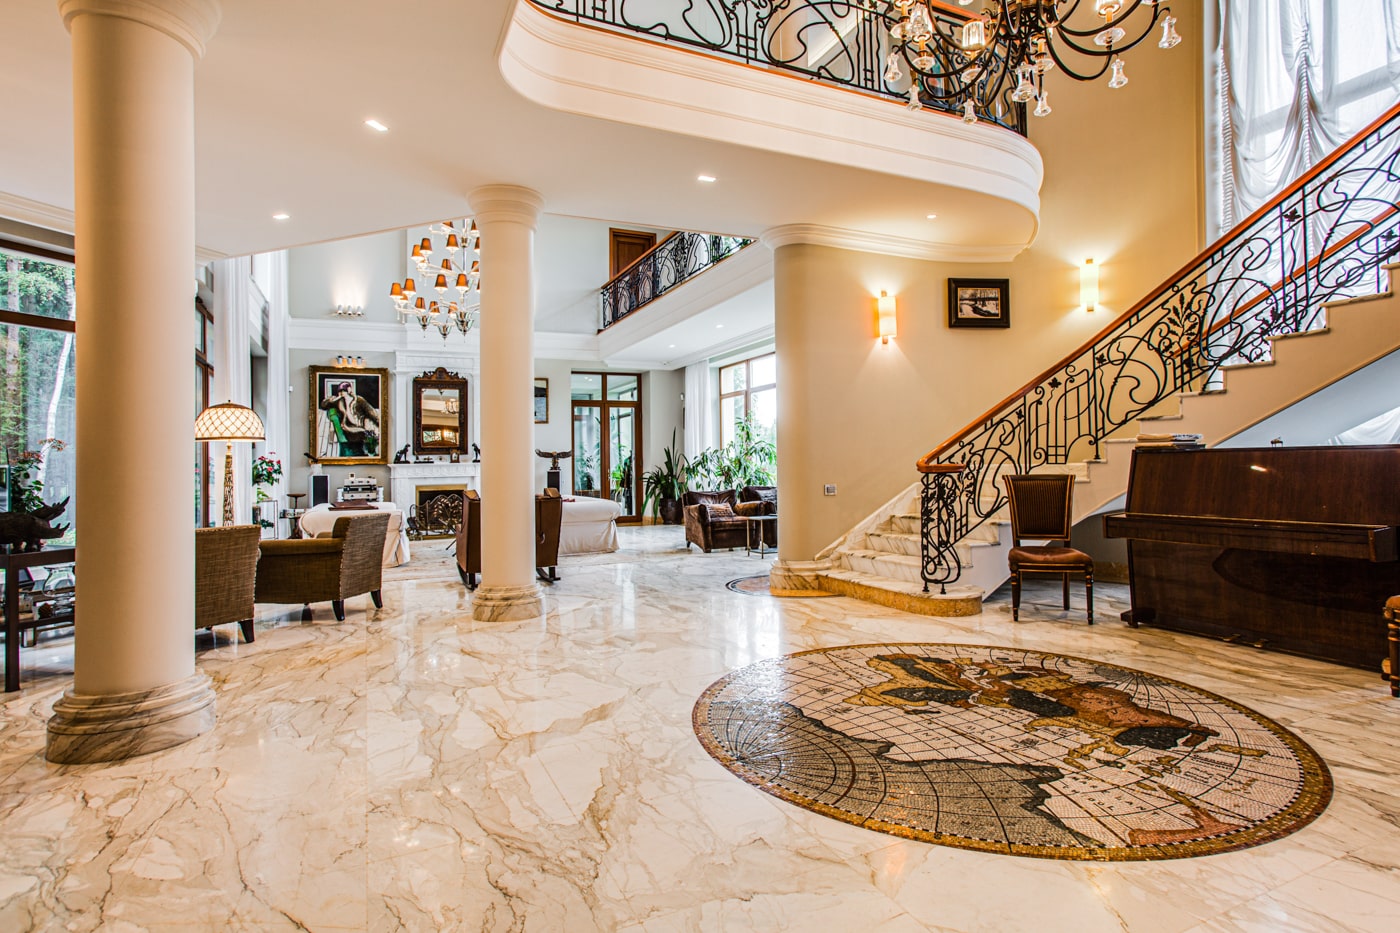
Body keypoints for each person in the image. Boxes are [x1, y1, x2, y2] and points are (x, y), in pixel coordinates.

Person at [319, 380, 380, 457]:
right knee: (369, 440)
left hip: (362, 426)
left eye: (344, 390)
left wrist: (379, 424)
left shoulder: (359, 400)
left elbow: (371, 412)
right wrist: (334, 399)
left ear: (349, 390)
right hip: (349, 430)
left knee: (373, 436)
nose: (342, 392)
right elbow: (323, 405)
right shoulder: (339, 401)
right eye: (340, 391)